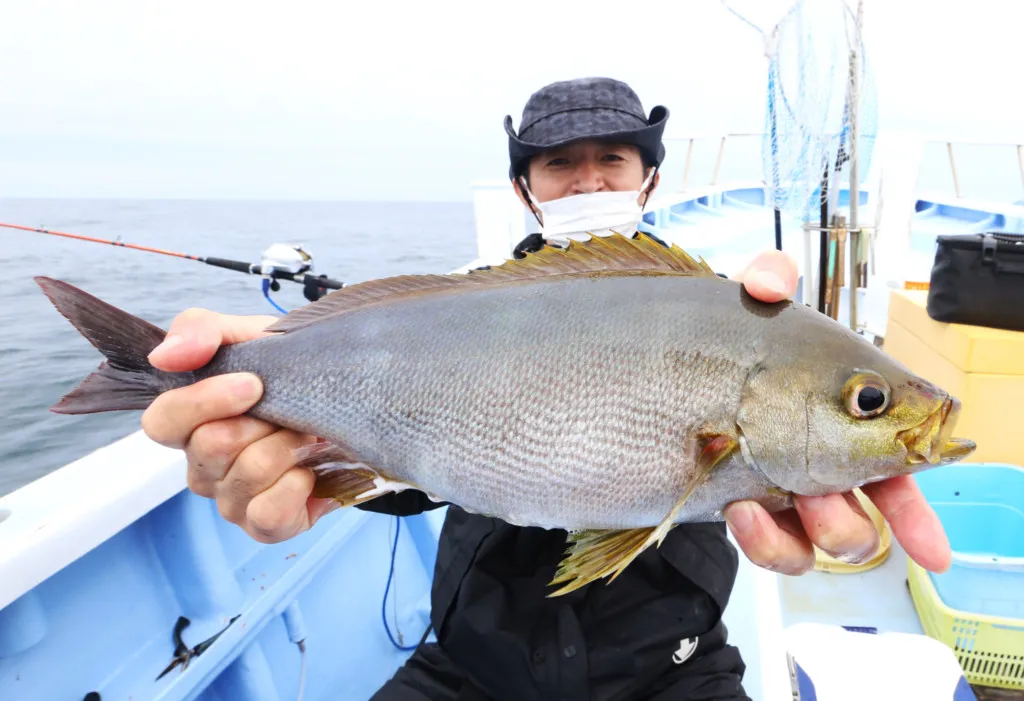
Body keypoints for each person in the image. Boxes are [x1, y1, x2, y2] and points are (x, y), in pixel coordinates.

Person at [140, 77, 952, 701]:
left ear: (649, 178)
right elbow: (416, 475)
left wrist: (852, 492)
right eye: (559, 162)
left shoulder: (738, 302)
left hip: (670, 664)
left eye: (612, 159)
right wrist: (310, 454)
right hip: (473, 660)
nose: (585, 179)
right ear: (526, 186)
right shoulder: (461, 302)